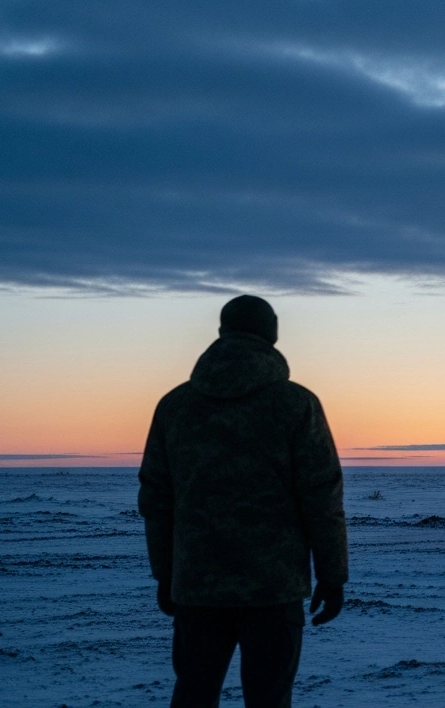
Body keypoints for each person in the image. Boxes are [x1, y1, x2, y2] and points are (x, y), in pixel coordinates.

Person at [138, 295, 348, 707]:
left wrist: (166, 573)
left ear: (222, 332)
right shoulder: (296, 404)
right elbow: (322, 498)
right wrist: (333, 576)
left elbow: (156, 498)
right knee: (270, 699)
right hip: (273, 588)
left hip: (198, 585)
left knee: (194, 694)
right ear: (271, 333)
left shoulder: (175, 406)